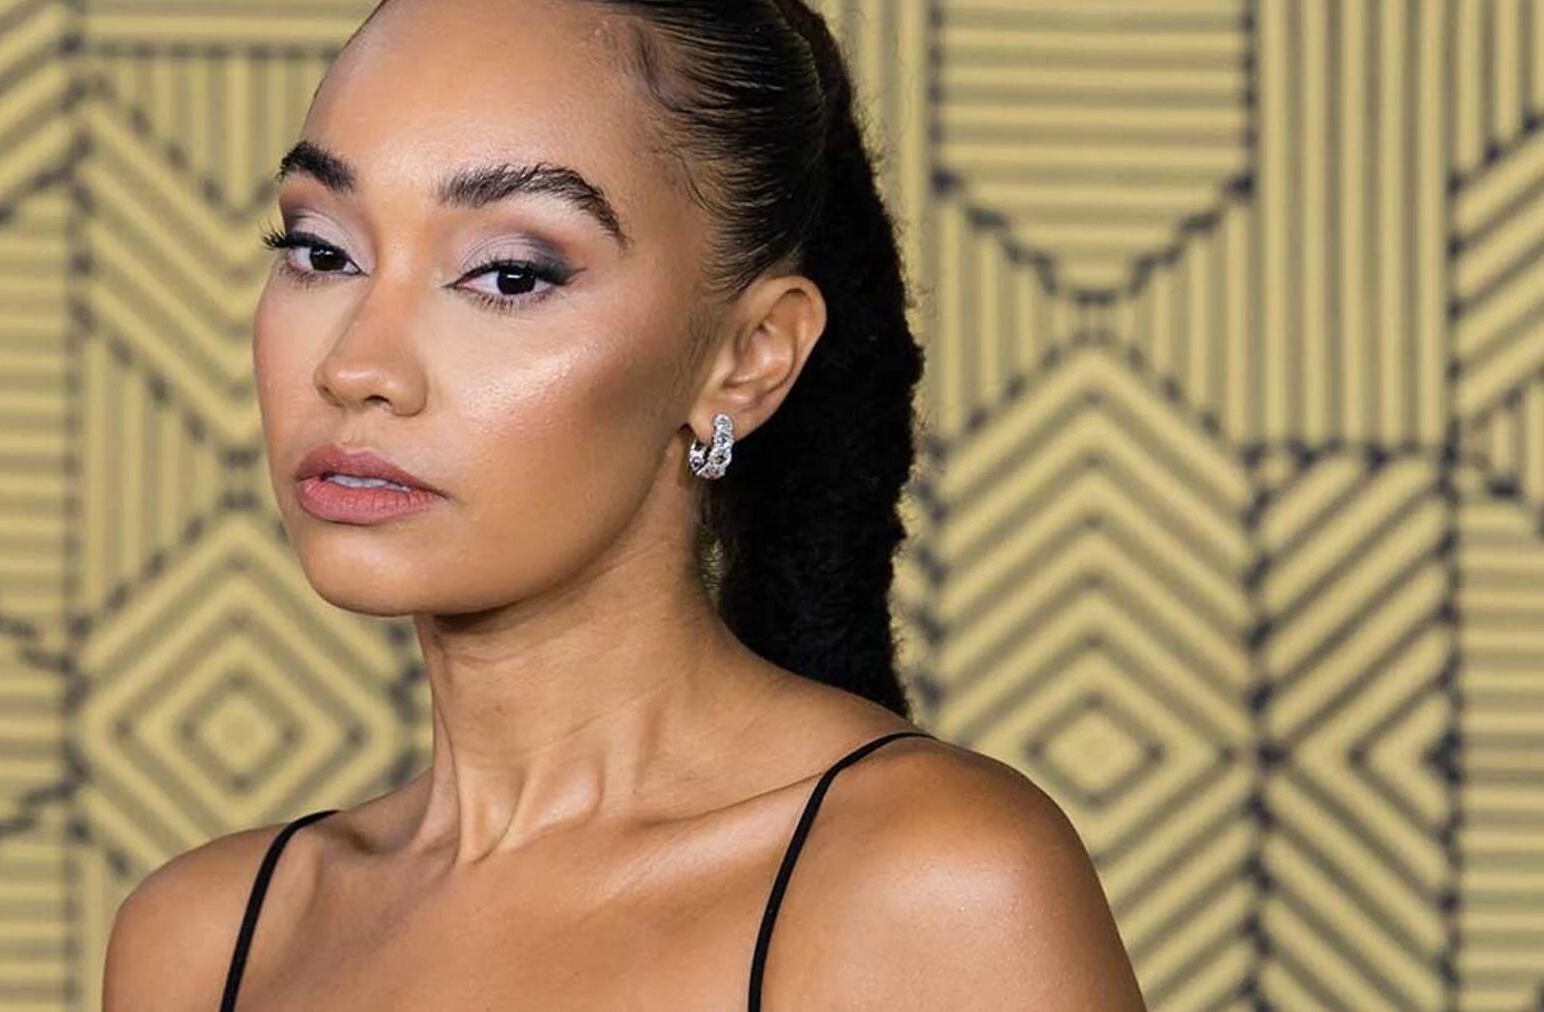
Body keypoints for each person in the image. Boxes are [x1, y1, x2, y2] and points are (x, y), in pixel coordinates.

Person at [103, 0, 1146, 1008]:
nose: (356, 366)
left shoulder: (927, 888)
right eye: (322, 252)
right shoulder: (204, 940)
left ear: (747, 357)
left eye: (509, 275)